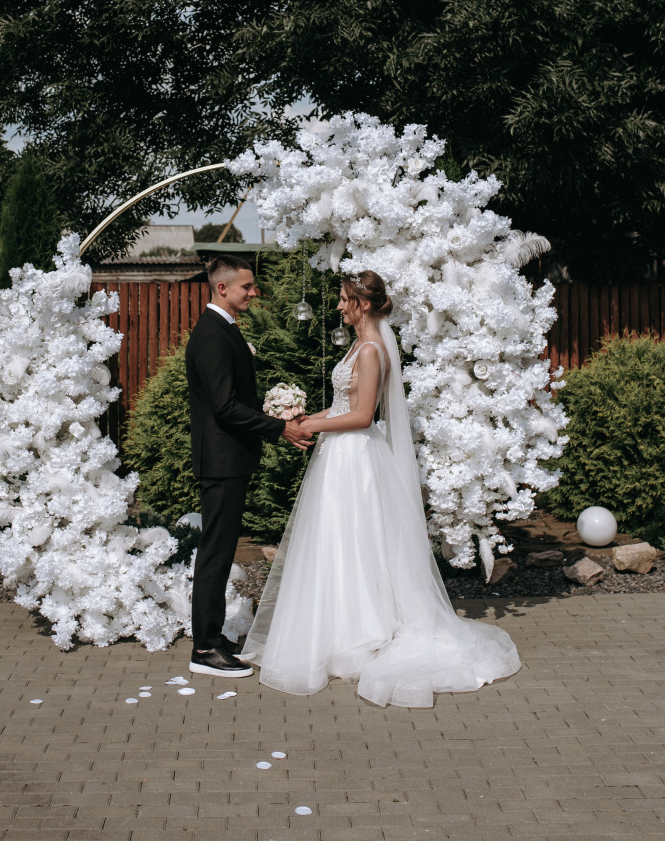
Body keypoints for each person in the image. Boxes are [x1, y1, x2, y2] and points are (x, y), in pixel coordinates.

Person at [241, 270, 521, 708]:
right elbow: (343, 405)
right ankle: (340, 624)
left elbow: (363, 416)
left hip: (355, 454)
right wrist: (299, 415)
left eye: (344, 299)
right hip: (339, 455)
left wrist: (309, 423)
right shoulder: (358, 345)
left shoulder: (371, 350)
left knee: (354, 539)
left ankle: (364, 629)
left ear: (364, 304)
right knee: (339, 540)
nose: (338, 306)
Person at [185, 254, 312, 678]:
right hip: (221, 460)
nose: (254, 292)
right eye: (247, 286)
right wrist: (280, 427)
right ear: (222, 288)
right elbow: (224, 407)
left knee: (219, 552)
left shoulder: (223, 330)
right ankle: (204, 649)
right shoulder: (212, 336)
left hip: (229, 459)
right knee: (216, 554)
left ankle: (212, 636)